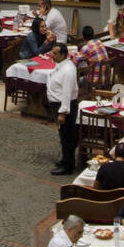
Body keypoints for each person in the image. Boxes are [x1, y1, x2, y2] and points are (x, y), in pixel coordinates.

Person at [46, 42, 79, 175]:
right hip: (57, 105)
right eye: (52, 52)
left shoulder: (68, 70)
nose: (51, 55)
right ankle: (65, 159)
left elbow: (66, 93)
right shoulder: (62, 66)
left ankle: (68, 165)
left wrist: (63, 112)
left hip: (64, 106)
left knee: (67, 136)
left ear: (63, 55)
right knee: (63, 134)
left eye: (55, 53)